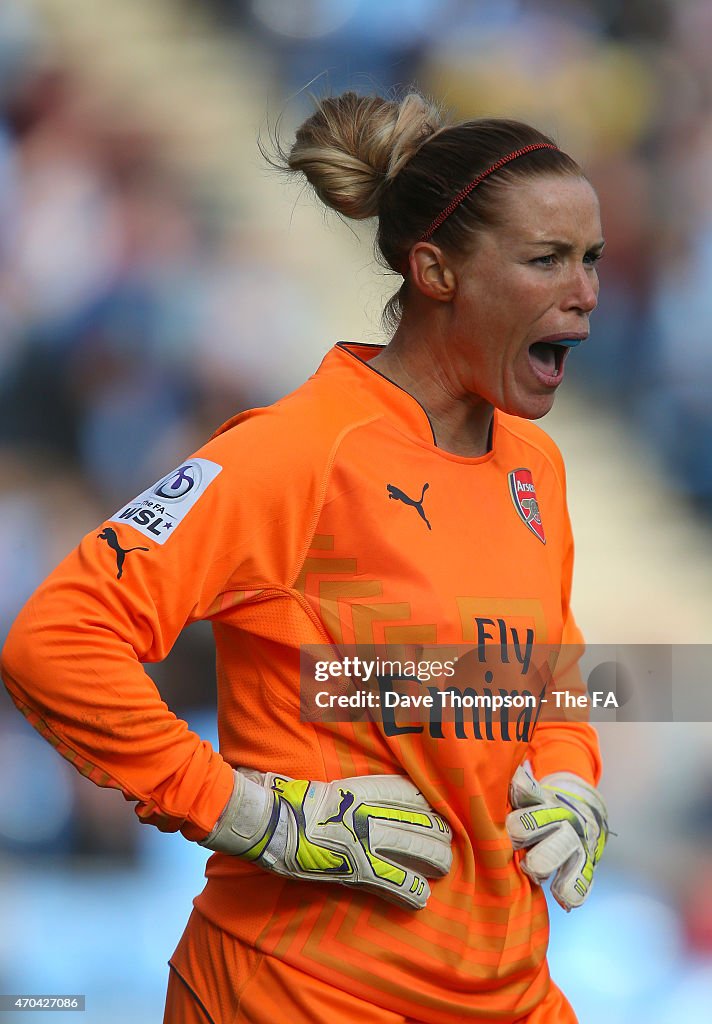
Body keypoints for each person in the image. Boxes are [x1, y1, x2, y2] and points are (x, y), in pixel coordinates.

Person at [1, 91, 609, 1024]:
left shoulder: (536, 464)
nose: (588, 293)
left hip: (509, 995)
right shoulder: (298, 452)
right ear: (437, 270)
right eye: (548, 261)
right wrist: (256, 818)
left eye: (593, 260)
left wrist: (570, 773)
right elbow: (55, 642)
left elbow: (545, 664)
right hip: (297, 992)